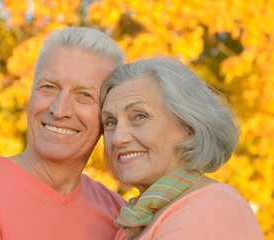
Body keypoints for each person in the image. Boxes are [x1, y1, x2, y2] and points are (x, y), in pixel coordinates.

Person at [0, 26, 127, 240]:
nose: (59, 110)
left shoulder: (121, 216)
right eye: (49, 87)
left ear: (108, 115)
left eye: (84, 95)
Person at [100, 56, 264, 239]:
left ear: (188, 126)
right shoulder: (137, 219)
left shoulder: (210, 206)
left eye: (139, 116)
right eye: (110, 122)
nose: (118, 138)